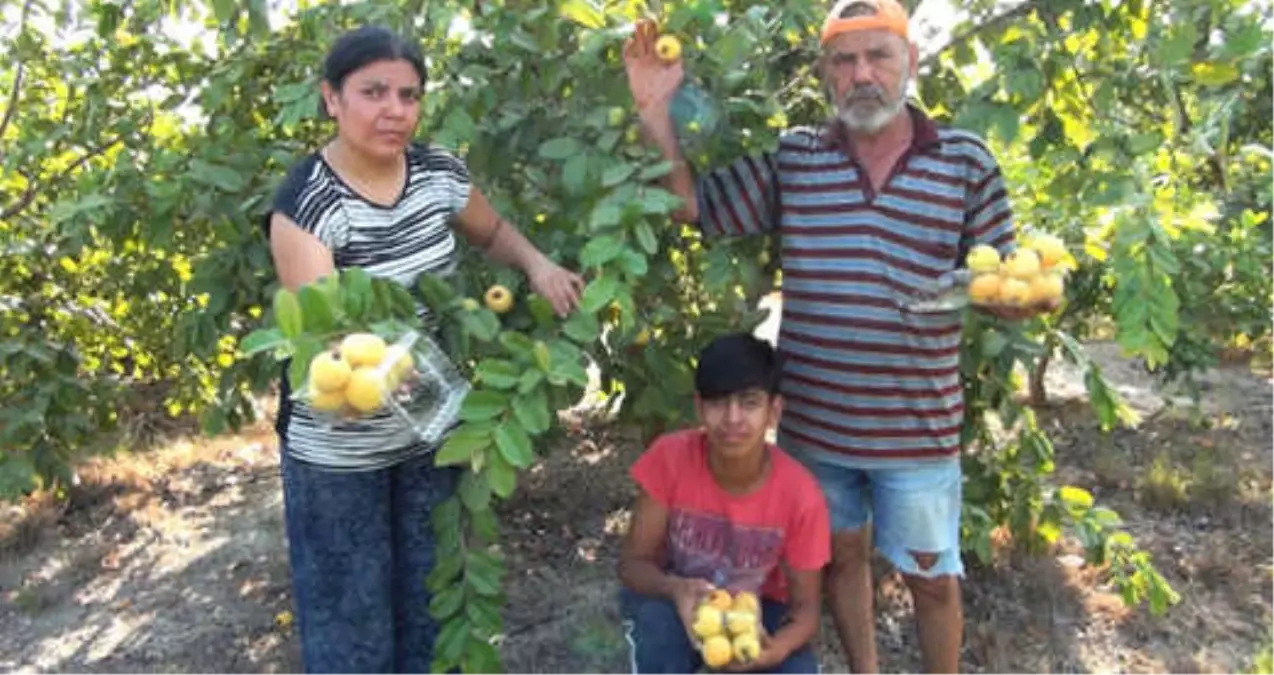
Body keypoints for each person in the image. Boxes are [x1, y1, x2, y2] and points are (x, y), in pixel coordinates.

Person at [622, 1, 1057, 673]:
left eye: (878, 55)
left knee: (932, 579)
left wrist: (1017, 304)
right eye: (843, 60)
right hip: (819, 429)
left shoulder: (964, 160)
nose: (862, 74)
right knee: (843, 560)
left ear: (910, 62)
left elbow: (999, 277)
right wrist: (656, 112)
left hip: (918, 428)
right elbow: (693, 206)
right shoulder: (798, 157)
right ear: (825, 74)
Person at [263, 25, 584, 674]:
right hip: (341, 451)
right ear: (331, 98)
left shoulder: (437, 173)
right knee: (352, 628)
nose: (394, 110)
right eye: (373, 91)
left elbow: (491, 230)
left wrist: (538, 264)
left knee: (433, 612)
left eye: (408, 95)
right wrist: (412, 384)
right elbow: (334, 345)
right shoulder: (307, 206)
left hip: (430, 432)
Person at [618, 332, 830, 674]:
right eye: (718, 403)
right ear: (700, 407)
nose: (732, 419)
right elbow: (632, 565)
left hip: (760, 609)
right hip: (673, 597)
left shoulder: (801, 495)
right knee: (658, 635)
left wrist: (774, 652)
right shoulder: (669, 459)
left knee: (797, 669)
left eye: (749, 403)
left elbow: (806, 610)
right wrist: (675, 589)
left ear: (774, 411)